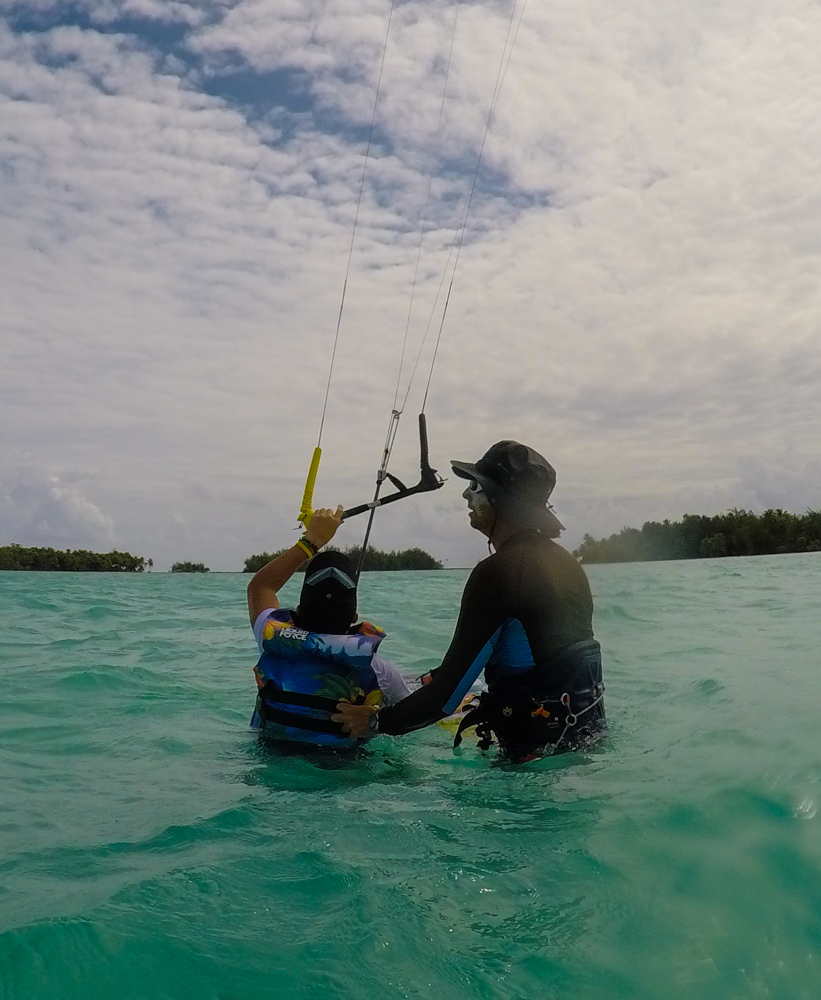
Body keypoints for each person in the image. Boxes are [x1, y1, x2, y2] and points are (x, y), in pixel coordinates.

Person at [333, 442, 605, 762]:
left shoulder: (497, 573)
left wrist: (375, 721)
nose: (466, 495)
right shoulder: (568, 565)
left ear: (500, 500)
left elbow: (446, 697)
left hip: (531, 759)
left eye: (475, 486)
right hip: (588, 741)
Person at [247, 506, 410, 747]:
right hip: (344, 775)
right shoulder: (378, 669)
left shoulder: (271, 639)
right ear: (354, 616)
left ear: (299, 610)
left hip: (271, 768)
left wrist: (311, 541)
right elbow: (411, 716)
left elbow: (260, 587)